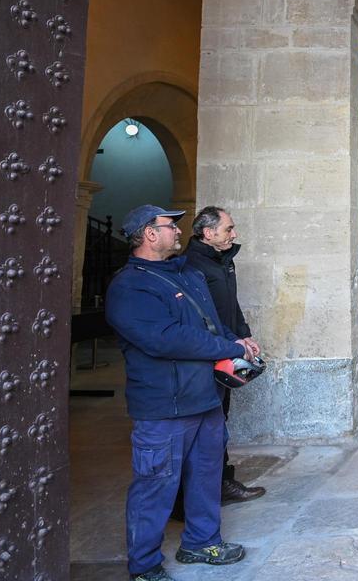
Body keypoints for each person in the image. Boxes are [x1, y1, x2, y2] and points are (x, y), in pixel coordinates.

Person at [105, 205, 251, 581]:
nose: (178, 231)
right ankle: (145, 565)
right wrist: (227, 349)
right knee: (155, 485)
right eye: (170, 226)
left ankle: (201, 542)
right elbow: (165, 338)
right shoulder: (129, 286)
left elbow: (210, 322)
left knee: (206, 475)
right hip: (163, 406)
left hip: (204, 397)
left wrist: (233, 339)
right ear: (149, 234)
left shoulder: (187, 272)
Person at [183, 206, 266, 504]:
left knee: (220, 417)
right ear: (208, 233)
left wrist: (243, 333)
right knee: (208, 421)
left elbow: (231, 303)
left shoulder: (224, 260)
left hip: (229, 348)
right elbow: (201, 317)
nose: (234, 233)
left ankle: (220, 483)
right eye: (229, 229)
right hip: (210, 353)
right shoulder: (191, 266)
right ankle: (205, 489)